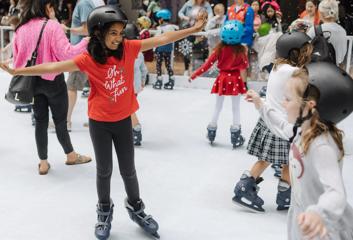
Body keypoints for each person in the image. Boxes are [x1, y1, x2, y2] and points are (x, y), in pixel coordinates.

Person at [0, 5, 208, 239]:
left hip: (122, 121)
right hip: (100, 123)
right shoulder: (89, 58)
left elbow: (164, 37)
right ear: (99, 33)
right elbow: (55, 66)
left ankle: (136, 207)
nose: (118, 38)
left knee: (129, 170)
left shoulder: (128, 49)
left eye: (121, 33)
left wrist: (193, 29)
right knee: (104, 170)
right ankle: (104, 210)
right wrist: (19, 71)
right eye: (113, 33)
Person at [245, 62, 353, 239]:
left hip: (323, 227)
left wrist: (319, 213)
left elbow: (336, 193)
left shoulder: (321, 146)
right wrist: (260, 104)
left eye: (288, 99)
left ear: (310, 105)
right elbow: (279, 124)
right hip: (302, 217)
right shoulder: (300, 131)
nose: (283, 103)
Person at [232, 32, 313, 212]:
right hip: (279, 124)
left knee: (285, 161)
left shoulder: (279, 67)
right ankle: (244, 188)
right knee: (267, 160)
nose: (308, 56)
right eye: (305, 52)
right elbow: (309, 85)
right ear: (294, 53)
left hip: (271, 119)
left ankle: (285, 194)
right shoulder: (293, 72)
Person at [7, 0, 91, 175]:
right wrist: (85, 42)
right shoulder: (52, 26)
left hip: (31, 83)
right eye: (52, 6)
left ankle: (43, 163)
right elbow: (67, 53)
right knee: (60, 122)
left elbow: (17, 60)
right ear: (47, 7)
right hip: (53, 81)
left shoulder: (20, 29)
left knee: (40, 122)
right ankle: (71, 156)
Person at [189, 20, 247, 148]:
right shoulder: (241, 50)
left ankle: (212, 129)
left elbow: (207, 65)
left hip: (223, 78)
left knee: (218, 106)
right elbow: (244, 66)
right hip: (235, 79)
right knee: (235, 108)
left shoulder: (219, 49)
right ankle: (236, 132)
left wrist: (194, 75)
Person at [65, 0, 104, 130]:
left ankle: (66, 121)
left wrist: (67, 29)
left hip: (82, 53)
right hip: (91, 51)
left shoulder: (84, 4)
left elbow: (87, 29)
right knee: (94, 88)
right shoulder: (97, 2)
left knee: (71, 86)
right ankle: (96, 120)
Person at [124, 23, 148, 146]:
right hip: (135, 87)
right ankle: (130, 130)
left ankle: (136, 129)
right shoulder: (139, 53)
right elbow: (144, 70)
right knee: (127, 108)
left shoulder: (124, 53)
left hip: (127, 87)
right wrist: (143, 81)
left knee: (128, 109)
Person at [306, 0, 347, 66]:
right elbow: (341, 57)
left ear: (320, 13)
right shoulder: (342, 31)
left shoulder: (314, 30)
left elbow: (305, 52)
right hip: (337, 71)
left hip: (317, 69)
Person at [178, 0, 213, 76]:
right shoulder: (189, 3)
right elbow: (180, 13)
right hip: (188, 29)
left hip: (201, 30)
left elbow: (211, 15)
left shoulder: (206, 5)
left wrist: (207, 22)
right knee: (186, 48)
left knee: (203, 49)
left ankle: (200, 70)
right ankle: (186, 69)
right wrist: (186, 18)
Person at [153, 9, 179, 90]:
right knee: (168, 65)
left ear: (161, 19)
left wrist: (154, 50)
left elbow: (156, 39)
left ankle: (159, 80)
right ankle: (171, 79)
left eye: (159, 19)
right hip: (168, 49)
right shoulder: (172, 27)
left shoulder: (160, 28)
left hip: (160, 49)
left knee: (158, 65)